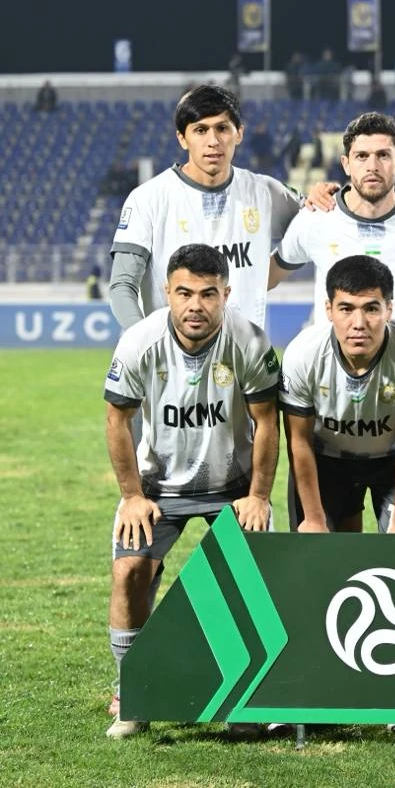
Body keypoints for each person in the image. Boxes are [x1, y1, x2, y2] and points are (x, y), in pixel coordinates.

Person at [104, 244, 280, 739]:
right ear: (167, 292)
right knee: (129, 570)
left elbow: (268, 422)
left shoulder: (249, 341)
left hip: (233, 486)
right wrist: (132, 495)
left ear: (226, 293)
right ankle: (133, 693)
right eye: (184, 293)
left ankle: (249, 697)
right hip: (158, 487)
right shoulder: (140, 343)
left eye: (208, 294)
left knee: (253, 577)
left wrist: (259, 495)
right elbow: (117, 420)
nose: (195, 305)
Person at [269, 112, 395, 531]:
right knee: (332, 549)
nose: (373, 165)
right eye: (362, 156)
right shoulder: (317, 218)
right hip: (332, 406)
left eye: (383, 155)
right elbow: (267, 276)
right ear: (345, 163)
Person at [107, 84, 302, 331]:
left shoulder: (264, 192)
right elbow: (122, 286)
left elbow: (315, 226)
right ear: (182, 138)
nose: (213, 141)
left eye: (222, 128)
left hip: (244, 351)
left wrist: (274, 268)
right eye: (200, 130)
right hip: (173, 353)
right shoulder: (148, 199)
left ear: (239, 133)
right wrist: (143, 339)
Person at [280, 255, 395, 534]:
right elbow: (299, 441)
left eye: (371, 308)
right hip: (327, 459)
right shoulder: (302, 355)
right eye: (346, 308)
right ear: (329, 309)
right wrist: (314, 518)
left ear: (389, 309)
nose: (358, 323)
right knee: (318, 547)